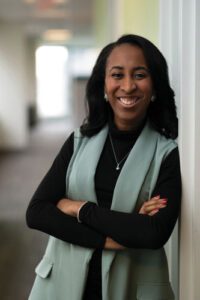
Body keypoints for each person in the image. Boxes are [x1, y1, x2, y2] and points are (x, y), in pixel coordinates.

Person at [26, 34, 181, 300]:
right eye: (117, 75)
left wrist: (78, 208)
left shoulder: (166, 153)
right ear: (103, 85)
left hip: (132, 288)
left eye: (140, 75)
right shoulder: (78, 141)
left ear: (155, 87)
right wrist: (114, 235)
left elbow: (153, 233)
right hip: (63, 286)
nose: (128, 86)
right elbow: (38, 213)